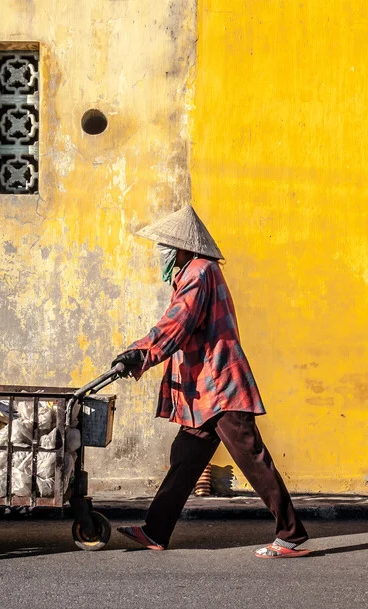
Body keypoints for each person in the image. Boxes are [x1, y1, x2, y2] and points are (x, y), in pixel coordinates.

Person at [111, 204, 310, 558]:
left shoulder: (198, 272)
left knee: (251, 458)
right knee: (185, 458)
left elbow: (178, 321)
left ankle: (290, 534)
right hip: (204, 392)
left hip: (220, 385)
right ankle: (156, 530)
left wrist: (140, 352)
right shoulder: (192, 272)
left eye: (166, 246)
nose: (162, 253)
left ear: (183, 248)